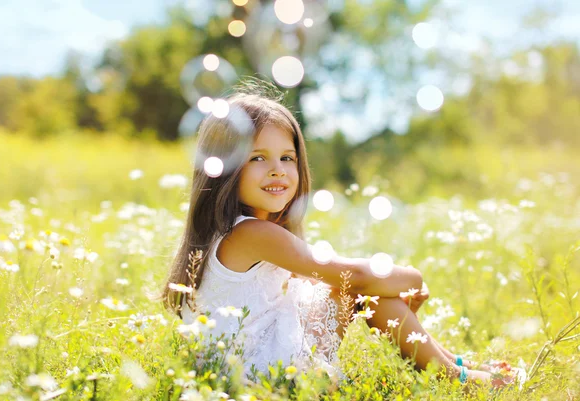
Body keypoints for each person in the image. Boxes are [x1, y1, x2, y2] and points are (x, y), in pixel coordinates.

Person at [161, 80, 522, 390]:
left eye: (287, 158)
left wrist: (386, 286)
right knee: (363, 286)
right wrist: (412, 278)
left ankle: (454, 369)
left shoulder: (236, 233)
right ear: (223, 168)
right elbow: (358, 276)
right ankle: (453, 376)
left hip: (253, 362)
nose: (277, 171)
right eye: (257, 158)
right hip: (262, 375)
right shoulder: (253, 234)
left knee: (360, 289)